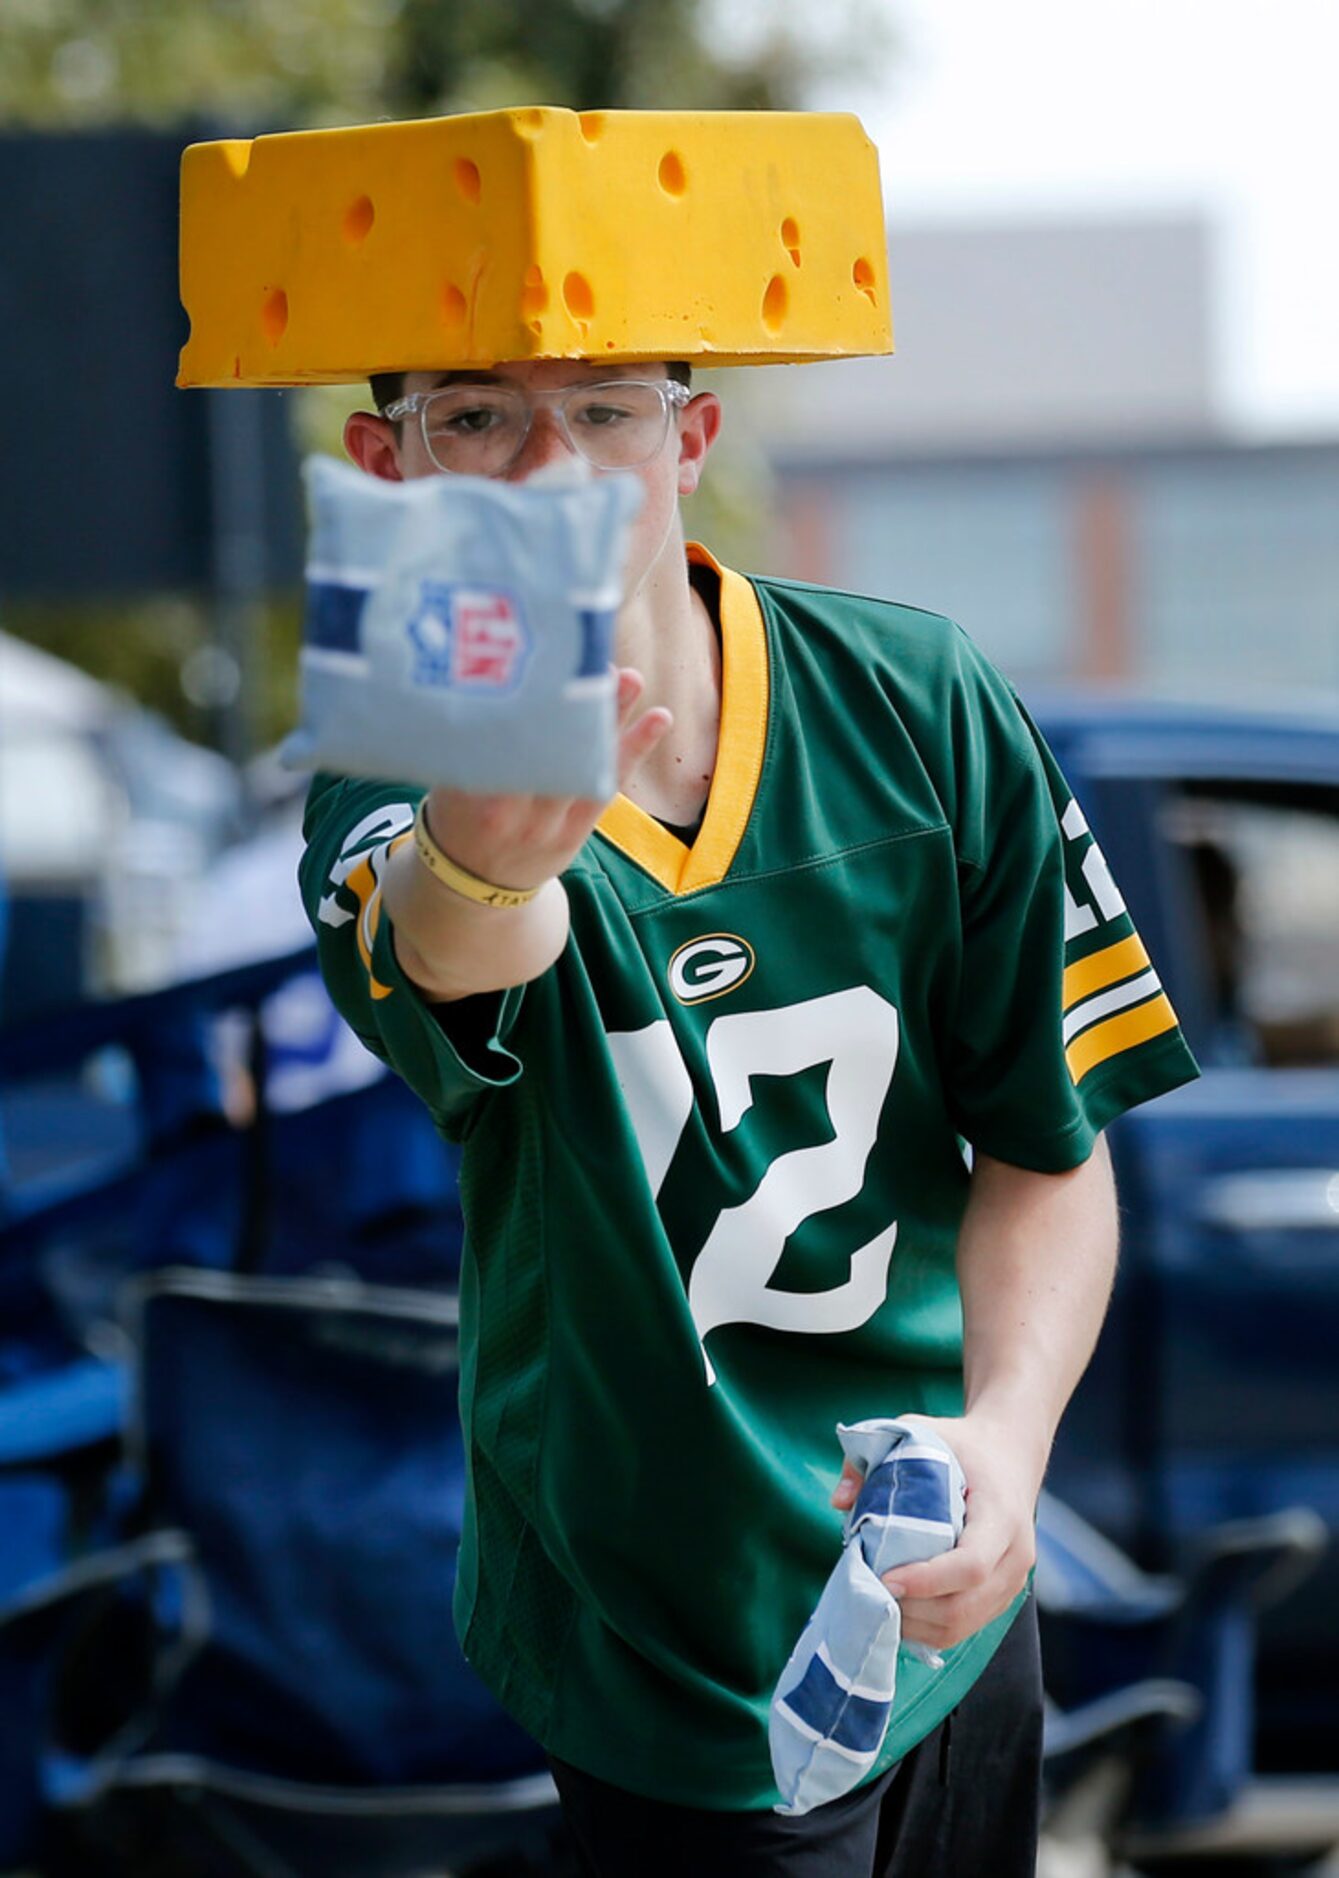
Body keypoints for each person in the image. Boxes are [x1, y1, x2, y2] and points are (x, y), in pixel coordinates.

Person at [298, 351, 1199, 1876]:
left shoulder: (917, 698)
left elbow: (1050, 1147)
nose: (543, 469)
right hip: (661, 1628)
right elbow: (453, 943)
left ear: (691, 437)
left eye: (599, 411)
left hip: (940, 1581)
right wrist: (494, 848)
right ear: (389, 467)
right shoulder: (397, 766)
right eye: (473, 416)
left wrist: (1008, 1438)